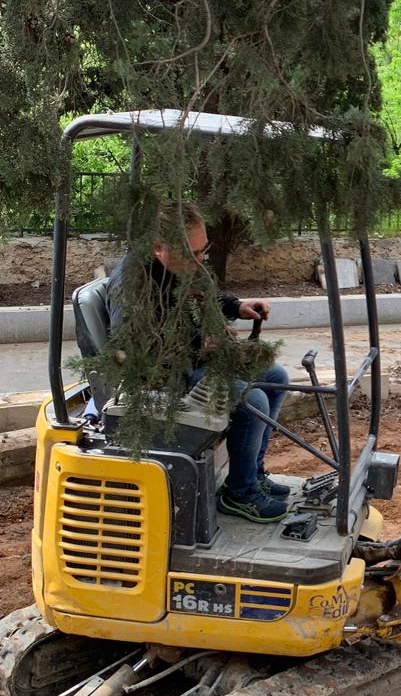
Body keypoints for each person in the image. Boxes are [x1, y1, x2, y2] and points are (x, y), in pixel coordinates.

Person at [107, 202, 291, 523]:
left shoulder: (176, 267)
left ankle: (252, 473)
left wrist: (236, 306)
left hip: (190, 363)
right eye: (193, 253)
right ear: (158, 247)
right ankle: (240, 493)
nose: (200, 259)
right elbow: (132, 347)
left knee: (275, 376)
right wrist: (199, 343)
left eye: (203, 249)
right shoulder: (133, 283)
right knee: (253, 401)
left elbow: (202, 295)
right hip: (162, 381)